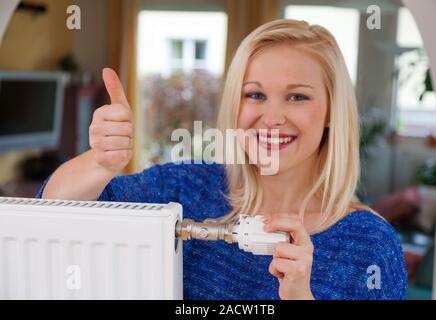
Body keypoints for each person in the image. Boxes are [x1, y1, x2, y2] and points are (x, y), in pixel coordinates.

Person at [36, 19, 407, 300]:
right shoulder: (184, 189)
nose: (273, 117)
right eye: (255, 95)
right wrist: (100, 163)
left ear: (331, 113)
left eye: (297, 97)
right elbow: (53, 214)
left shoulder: (370, 245)